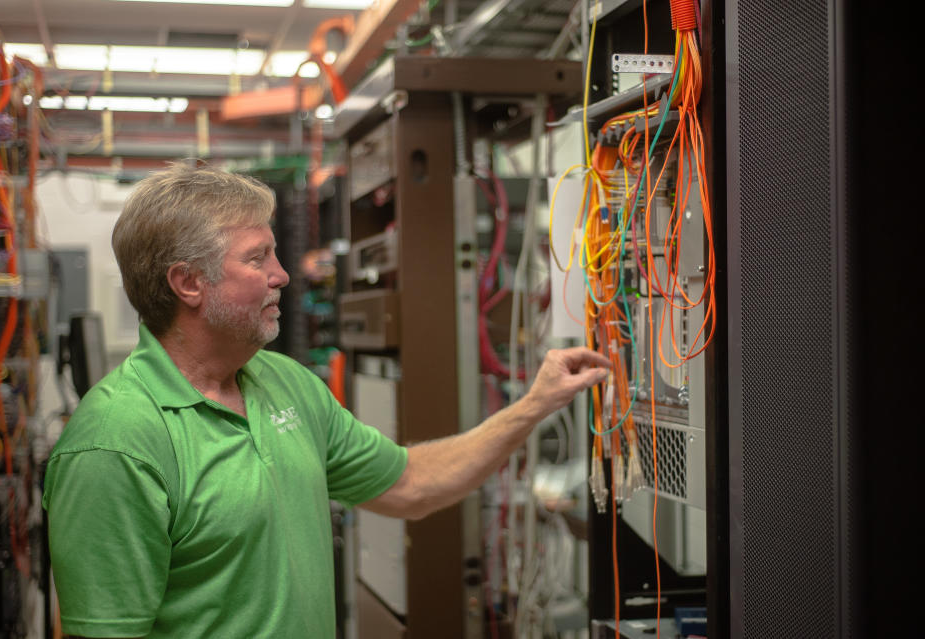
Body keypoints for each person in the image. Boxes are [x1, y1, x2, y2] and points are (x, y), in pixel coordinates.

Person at [43, 163, 609, 639]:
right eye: (257, 258)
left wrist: (534, 403)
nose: (283, 275)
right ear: (188, 283)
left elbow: (410, 484)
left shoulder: (283, 383)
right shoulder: (115, 443)